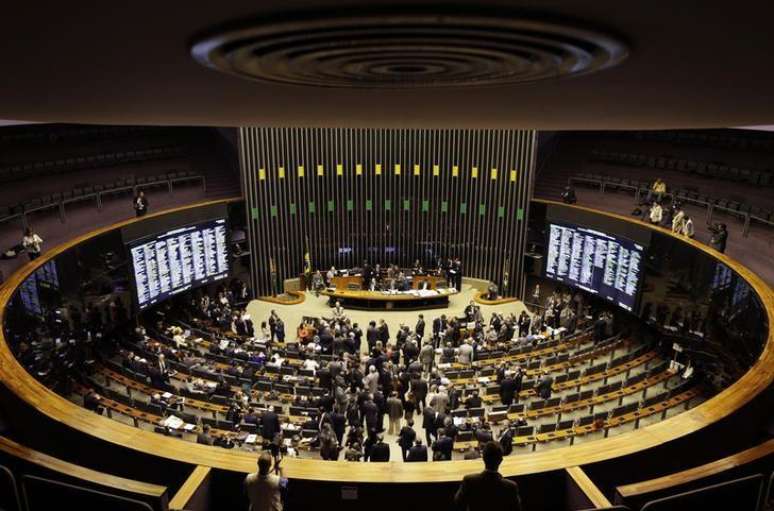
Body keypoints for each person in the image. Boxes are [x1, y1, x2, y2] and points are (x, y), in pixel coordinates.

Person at [454, 441, 522, 511]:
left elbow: (458, 503)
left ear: (483, 458)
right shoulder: (511, 487)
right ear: (501, 460)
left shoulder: (469, 481)